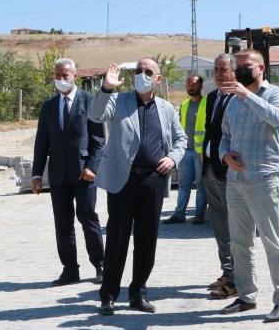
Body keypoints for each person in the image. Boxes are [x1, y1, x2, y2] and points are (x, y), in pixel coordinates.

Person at [89, 58, 186, 315]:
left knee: (146, 240)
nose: (142, 74)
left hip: (152, 181)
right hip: (123, 180)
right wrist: (106, 88)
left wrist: (172, 158)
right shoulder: (119, 100)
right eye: (138, 71)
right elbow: (95, 114)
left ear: (158, 79)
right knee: (117, 240)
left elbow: (181, 139)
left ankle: (138, 293)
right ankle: (108, 296)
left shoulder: (166, 108)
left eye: (147, 71)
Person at [218, 49, 279, 323]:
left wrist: (245, 95)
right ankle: (246, 296)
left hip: (263, 179)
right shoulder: (232, 102)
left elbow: (276, 118)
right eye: (237, 67)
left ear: (261, 68)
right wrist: (224, 155)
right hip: (235, 182)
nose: (240, 71)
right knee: (239, 243)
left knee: (273, 241)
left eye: (246, 66)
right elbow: (224, 138)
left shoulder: (275, 94)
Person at [32, 58, 106, 286]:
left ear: (75, 76)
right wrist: (36, 174)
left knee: (87, 217)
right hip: (58, 174)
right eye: (57, 75)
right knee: (62, 224)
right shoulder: (49, 105)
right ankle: (70, 270)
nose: (61, 79)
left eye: (65, 75)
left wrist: (92, 167)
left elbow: (99, 140)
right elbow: (41, 142)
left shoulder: (90, 101)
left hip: (83, 173)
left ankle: (101, 266)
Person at [202, 54, 237, 300]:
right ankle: (227, 271)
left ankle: (237, 278)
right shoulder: (212, 97)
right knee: (220, 227)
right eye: (215, 69)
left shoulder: (239, 98)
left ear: (234, 71)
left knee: (235, 227)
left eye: (223, 69)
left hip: (229, 172)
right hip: (210, 171)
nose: (218, 74)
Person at [164, 75, 208, 225]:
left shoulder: (208, 103)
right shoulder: (184, 104)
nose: (191, 86)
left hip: (200, 151)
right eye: (189, 83)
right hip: (185, 151)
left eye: (194, 84)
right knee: (184, 184)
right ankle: (179, 214)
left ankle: (199, 215)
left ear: (201, 86)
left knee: (201, 185)